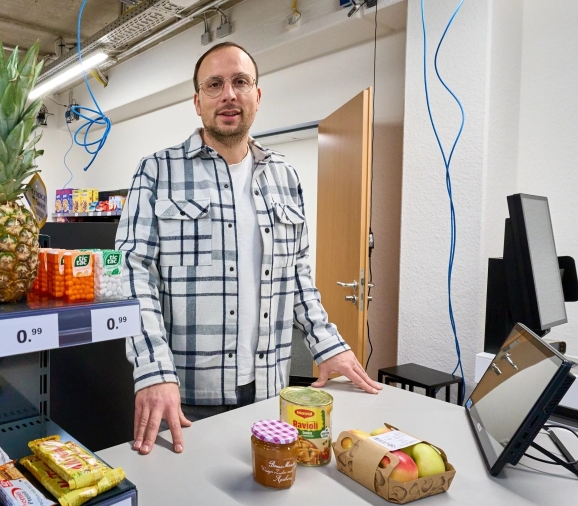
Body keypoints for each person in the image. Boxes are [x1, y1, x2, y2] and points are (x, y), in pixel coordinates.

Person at [116, 42, 382, 456]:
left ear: (257, 96)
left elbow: (297, 275)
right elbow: (133, 276)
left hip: (268, 390)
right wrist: (152, 370)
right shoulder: (158, 171)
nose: (229, 94)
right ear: (197, 101)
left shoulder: (284, 176)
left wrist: (328, 346)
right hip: (183, 396)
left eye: (241, 82)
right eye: (215, 84)